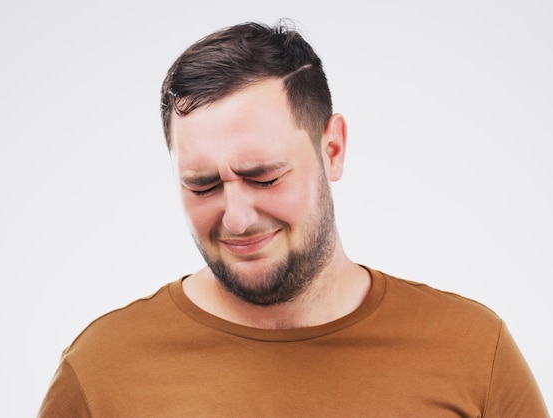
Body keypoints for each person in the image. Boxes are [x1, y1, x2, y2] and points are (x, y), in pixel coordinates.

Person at [38, 20, 548, 417]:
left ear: (332, 148)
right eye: (203, 184)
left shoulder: (472, 351)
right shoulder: (103, 370)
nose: (236, 219)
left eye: (263, 177)